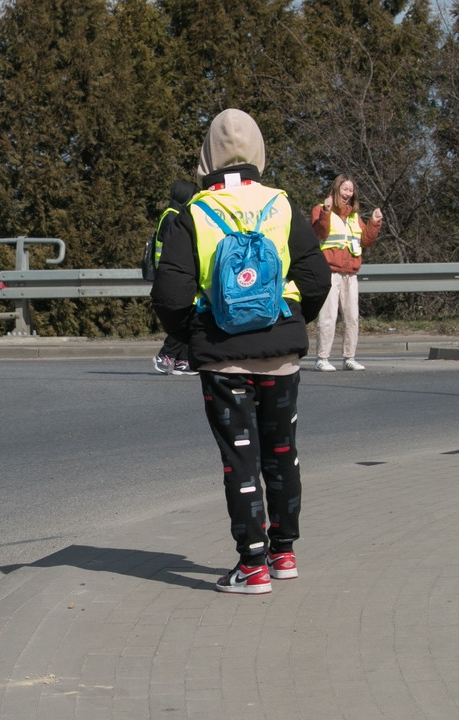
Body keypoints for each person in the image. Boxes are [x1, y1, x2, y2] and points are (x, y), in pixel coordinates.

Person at [151, 109, 331, 594]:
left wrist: (196, 335)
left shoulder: (195, 213)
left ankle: (250, 565)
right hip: (281, 355)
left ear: (206, 155)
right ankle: (284, 553)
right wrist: (289, 318)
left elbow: (169, 296)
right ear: (259, 151)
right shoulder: (281, 205)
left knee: (242, 460)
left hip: (224, 359)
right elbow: (317, 280)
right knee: (283, 454)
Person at [311, 174, 383, 371]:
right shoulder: (321, 209)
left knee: (352, 317)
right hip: (330, 273)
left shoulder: (354, 216)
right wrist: (326, 211)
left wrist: (374, 223)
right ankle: (322, 358)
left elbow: (366, 241)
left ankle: (349, 357)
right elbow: (319, 232)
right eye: (345, 189)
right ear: (336, 190)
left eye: (350, 191)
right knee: (328, 316)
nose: (348, 194)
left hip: (351, 274)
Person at [147, 179, 198, 376]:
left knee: (191, 315)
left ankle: (183, 361)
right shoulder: (173, 217)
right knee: (184, 317)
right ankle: (165, 355)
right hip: (172, 276)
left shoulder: (173, 214)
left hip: (172, 274)